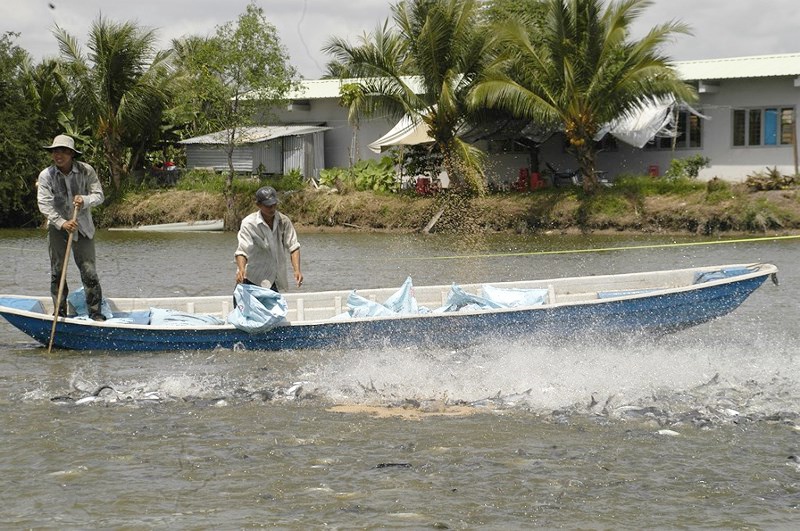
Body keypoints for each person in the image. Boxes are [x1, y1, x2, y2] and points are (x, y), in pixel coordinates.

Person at [37, 134, 106, 321]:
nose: (58, 155)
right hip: (58, 228)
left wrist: (85, 200)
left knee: (89, 271)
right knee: (57, 271)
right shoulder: (46, 175)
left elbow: (99, 195)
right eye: (55, 151)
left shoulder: (86, 171)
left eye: (63, 152)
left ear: (71, 154)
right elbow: (44, 204)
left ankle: (95, 313)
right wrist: (62, 222)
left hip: (82, 227)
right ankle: (59, 312)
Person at [235, 186, 303, 292]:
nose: (272, 208)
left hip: (273, 280)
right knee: (245, 308)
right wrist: (241, 269)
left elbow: (293, 246)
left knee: (275, 307)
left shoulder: (283, 221)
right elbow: (242, 250)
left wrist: (297, 270)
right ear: (258, 205)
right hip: (251, 279)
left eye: (274, 204)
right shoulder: (249, 224)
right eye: (268, 206)